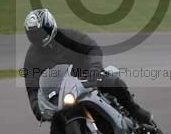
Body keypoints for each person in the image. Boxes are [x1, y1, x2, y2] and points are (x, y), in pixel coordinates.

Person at [22, 8, 153, 125]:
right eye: (32, 34)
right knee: (56, 128)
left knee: (113, 82)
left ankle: (135, 111)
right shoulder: (32, 58)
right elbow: (32, 87)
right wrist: (37, 108)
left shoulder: (68, 36)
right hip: (63, 92)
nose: (37, 37)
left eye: (40, 33)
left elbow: (92, 48)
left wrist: (95, 68)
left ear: (50, 27)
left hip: (88, 77)